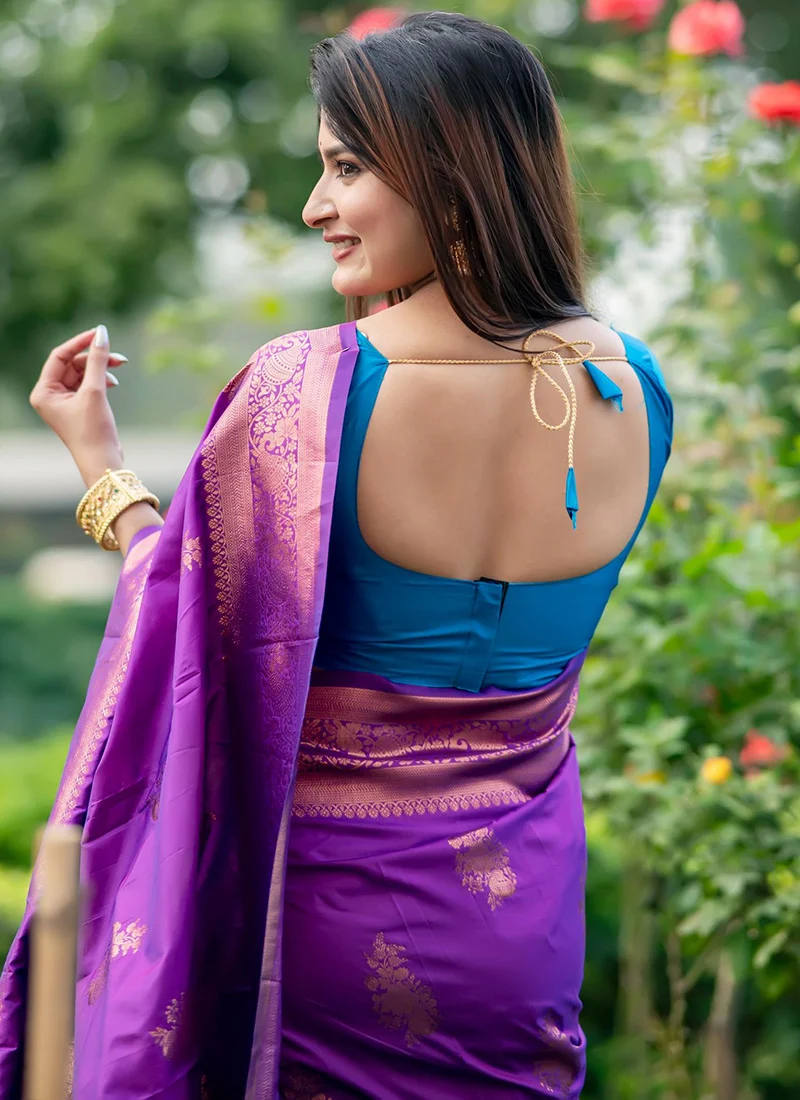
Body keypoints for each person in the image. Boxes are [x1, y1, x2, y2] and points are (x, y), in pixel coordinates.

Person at [0, 12, 673, 1100]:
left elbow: (182, 626)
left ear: (448, 171)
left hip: (328, 934)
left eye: (346, 168)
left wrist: (103, 471)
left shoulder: (306, 390)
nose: (316, 207)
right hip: (522, 932)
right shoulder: (636, 388)